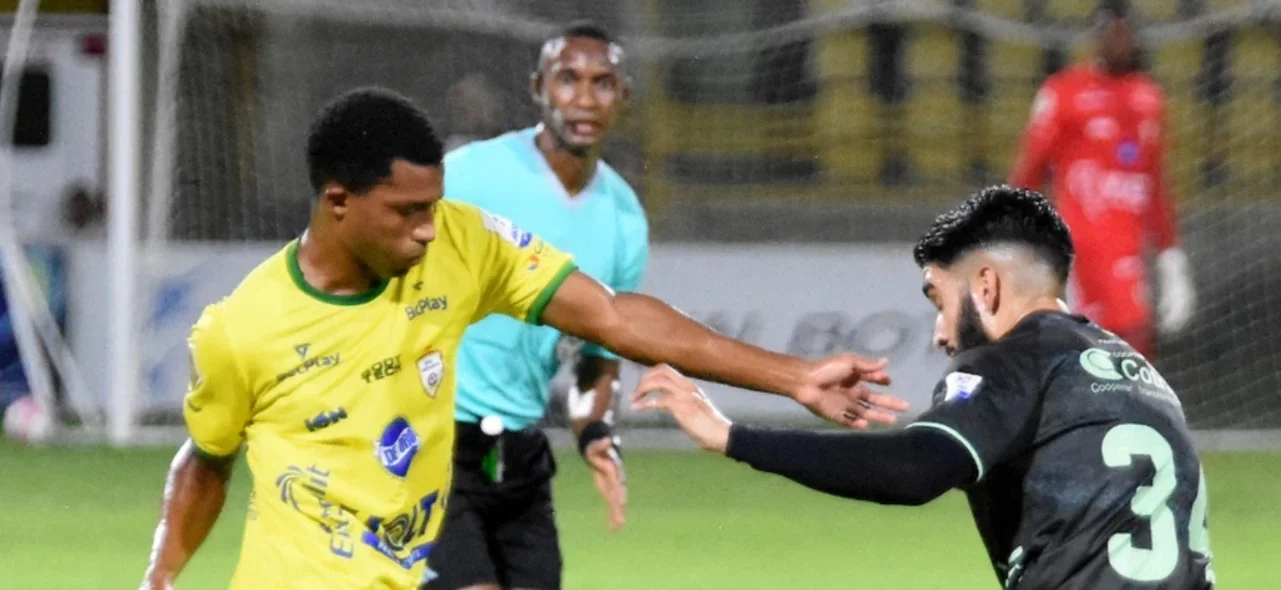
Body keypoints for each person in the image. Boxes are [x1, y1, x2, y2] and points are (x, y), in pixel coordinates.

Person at [138, 87, 908, 590]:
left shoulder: (462, 246)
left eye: (434, 206)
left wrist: (792, 377)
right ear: (337, 202)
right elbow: (206, 461)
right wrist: (161, 575)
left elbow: (613, 316)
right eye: (407, 211)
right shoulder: (242, 330)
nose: (428, 228)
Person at [636, 185, 1215, 589]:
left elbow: (915, 469)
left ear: (985, 286)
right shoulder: (1140, 373)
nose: (940, 333)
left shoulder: (1013, 359)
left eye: (939, 299)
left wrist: (731, 436)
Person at [427, 22, 642, 590]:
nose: (584, 98)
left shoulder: (624, 217)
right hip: (434, 442)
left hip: (520, 453)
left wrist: (595, 430)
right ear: (537, 88)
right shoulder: (469, 175)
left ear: (624, 97)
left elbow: (598, 356)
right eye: (568, 79)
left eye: (603, 83)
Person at [1008, 0, 1195, 358]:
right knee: (1094, 355)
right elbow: (1029, 170)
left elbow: (1154, 183)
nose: (1122, 43)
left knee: (1132, 352)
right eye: (1113, 34)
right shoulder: (1064, 92)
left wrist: (1172, 258)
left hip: (1128, 248)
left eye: (1128, 34)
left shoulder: (1147, 97)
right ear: (1098, 37)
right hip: (1079, 247)